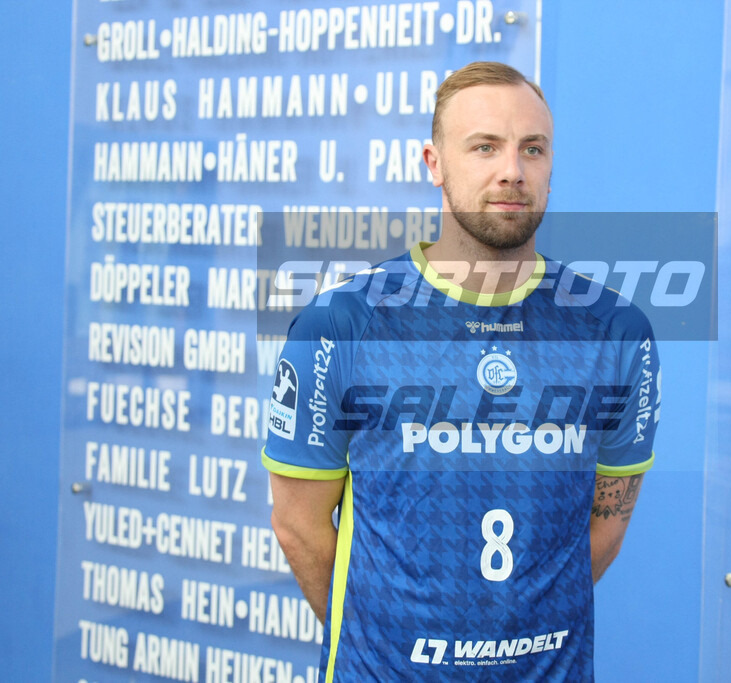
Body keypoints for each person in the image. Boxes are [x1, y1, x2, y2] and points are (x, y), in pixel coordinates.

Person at [262, 61, 659, 681]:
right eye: (485, 147)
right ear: (434, 162)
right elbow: (298, 524)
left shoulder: (614, 331)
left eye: (533, 148)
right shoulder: (341, 325)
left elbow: (603, 527)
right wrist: (388, 639)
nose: (512, 170)